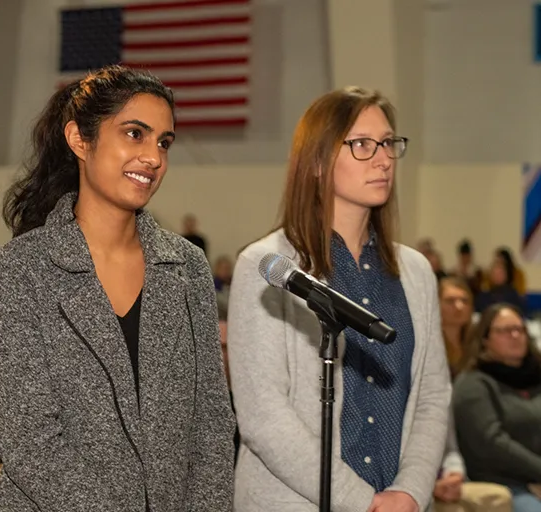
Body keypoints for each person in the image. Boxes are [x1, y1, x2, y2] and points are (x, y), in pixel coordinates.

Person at [0, 65, 235, 511]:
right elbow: (31, 440)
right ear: (80, 139)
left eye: (164, 142)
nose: (154, 158)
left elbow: (211, 423)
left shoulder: (187, 266)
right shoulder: (20, 269)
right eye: (134, 134)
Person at [228, 86, 451, 511]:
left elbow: (432, 396)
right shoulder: (268, 266)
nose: (383, 159)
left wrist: (409, 493)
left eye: (388, 143)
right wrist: (362, 502)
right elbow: (263, 417)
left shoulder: (416, 272)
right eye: (362, 145)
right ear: (316, 161)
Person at [454, 303, 541, 512]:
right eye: (504, 330)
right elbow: (491, 443)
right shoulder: (473, 383)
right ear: (485, 339)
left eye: (520, 329)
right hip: (504, 483)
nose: (515, 335)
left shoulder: (536, 376)